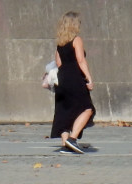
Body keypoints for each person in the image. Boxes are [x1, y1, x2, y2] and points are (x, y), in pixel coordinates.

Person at [49, 11, 95, 154]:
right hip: (74, 77)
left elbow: (58, 62)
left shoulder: (60, 43)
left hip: (62, 79)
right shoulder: (76, 40)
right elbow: (81, 60)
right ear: (75, 25)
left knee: (64, 111)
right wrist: (88, 78)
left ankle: (65, 143)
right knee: (87, 108)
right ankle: (72, 139)